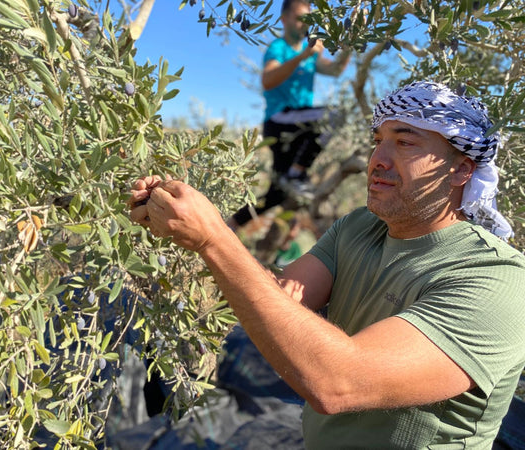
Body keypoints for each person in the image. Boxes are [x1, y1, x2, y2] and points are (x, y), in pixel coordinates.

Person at [129, 81, 525, 448]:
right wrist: (184, 228)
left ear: (461, 169)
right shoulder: (360, 227)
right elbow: (281, 300)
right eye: (378, 141)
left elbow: (339, 383)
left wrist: (214, 238)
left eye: (405, 143)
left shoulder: (496, 279)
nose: (377, 160)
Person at [229, 0, 351, 229]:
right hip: (280, 120)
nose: (304, 23)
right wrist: (302, 56)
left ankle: (230, 225)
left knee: (276, 194)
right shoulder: (279, 47)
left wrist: (353, 42)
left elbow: (335, 70)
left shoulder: (312, 53)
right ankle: (297, 174)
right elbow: (267, 80)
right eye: (299, 17)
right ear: (284, 19)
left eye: (308, 18)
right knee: (334, 115)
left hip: (301, 127)